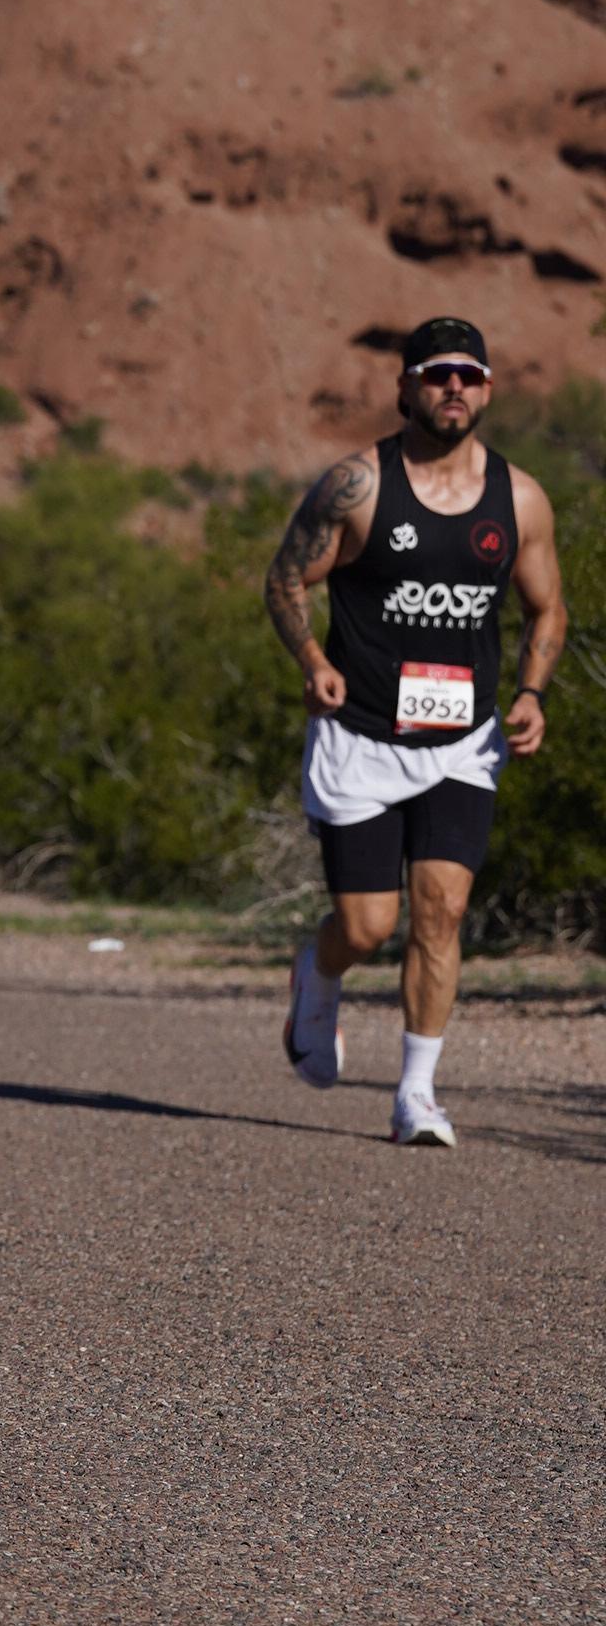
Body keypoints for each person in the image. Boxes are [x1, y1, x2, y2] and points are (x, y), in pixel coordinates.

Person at [265, 314, 566, 1148]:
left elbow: (546, 608)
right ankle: (319, 972)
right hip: (360, 737)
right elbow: (286, 579)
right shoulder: (357, 486)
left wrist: (533, 693)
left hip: (462, 742)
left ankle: (416, 1096)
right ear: (406, 388)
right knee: (367, 926)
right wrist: (311, 660)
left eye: (469, 375)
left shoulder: (520, 499)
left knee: (443, 911)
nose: (453, 388)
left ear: (488, 389)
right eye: (437, 375)